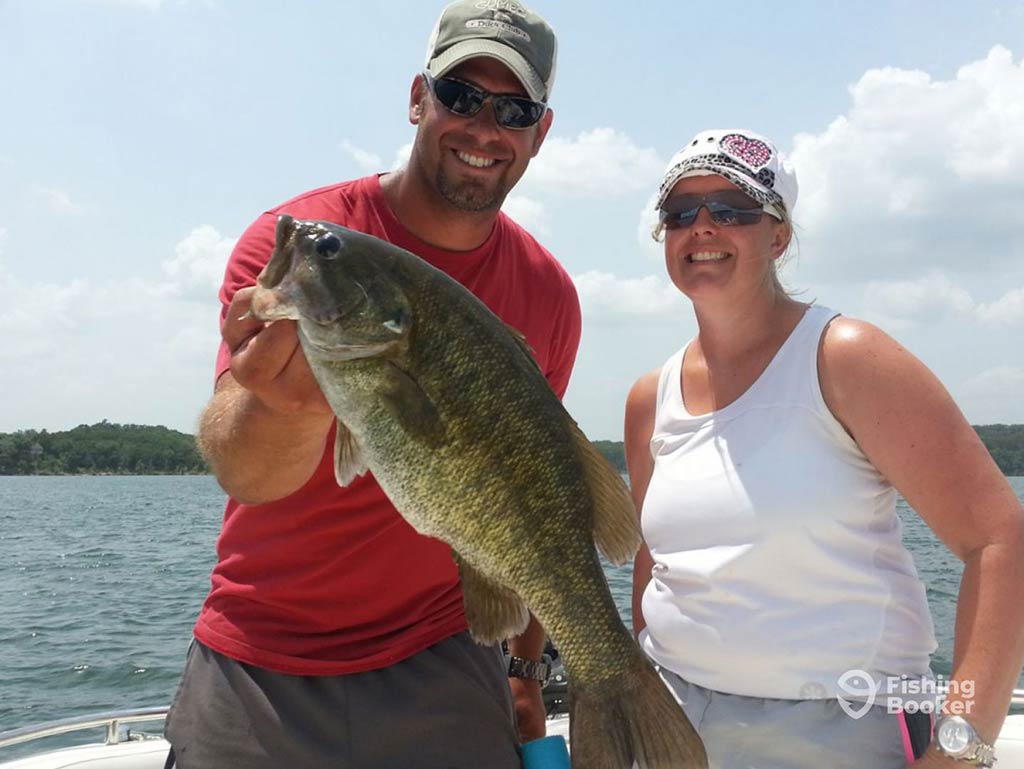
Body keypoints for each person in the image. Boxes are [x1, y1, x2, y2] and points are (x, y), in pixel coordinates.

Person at [164, 2, 581, 767]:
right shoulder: (293, 239)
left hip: (443, 652)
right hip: (262, 657)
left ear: (538, 133)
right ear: (418, 98)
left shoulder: (549, 294)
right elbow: (244, 473)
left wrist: (525, 671)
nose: (484, 128)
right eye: (460, 96)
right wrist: (287, 407)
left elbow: (538, 508)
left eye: (513, 109)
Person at [625, 128, 1024, 769]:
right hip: (672, 720)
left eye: (733, 208)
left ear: (778, 236)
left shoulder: (844, 358)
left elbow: (998, 538)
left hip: (838, 730)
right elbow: (657, 557)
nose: (702, 226)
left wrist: (963, 744)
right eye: (681, 212)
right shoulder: (651, 396)